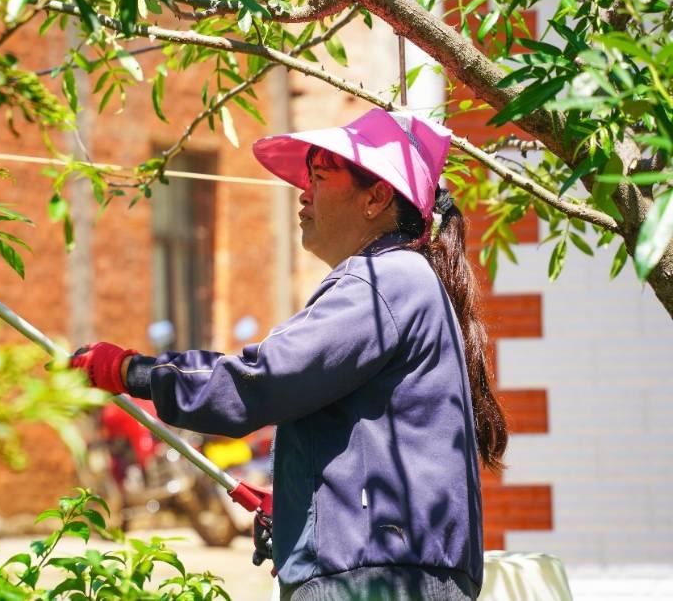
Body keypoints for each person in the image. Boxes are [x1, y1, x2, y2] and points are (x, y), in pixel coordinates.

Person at [71, 108, 508, 600]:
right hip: (388, 568)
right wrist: (304, 508)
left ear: (377, 197)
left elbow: (263, 381)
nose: (303, 193)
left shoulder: (381, 281)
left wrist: (132, 371)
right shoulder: (405, 281)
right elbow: (366, 445)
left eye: (320, 177)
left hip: (377, 577)